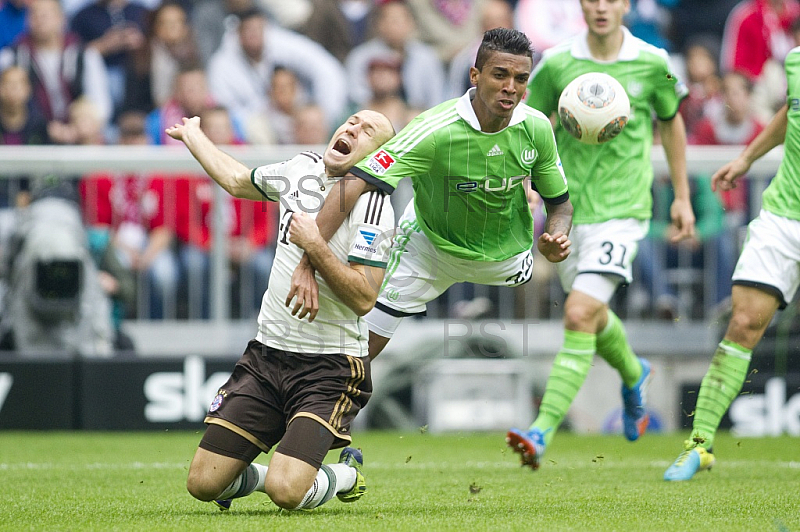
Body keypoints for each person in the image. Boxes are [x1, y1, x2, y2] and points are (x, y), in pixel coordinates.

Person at [289, 28, 573, 366]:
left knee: (548, 294)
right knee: (354, 359)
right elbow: (354, 181)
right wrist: (308, 260)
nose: (511, 87)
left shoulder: (537, 128)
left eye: (520, 78)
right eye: (500, 74)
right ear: (475, 75)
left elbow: (562, 205)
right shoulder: (434, 130)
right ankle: (324, 403)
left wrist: (557, 237)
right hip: (428, 250)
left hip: (506, 258)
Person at [166, 108, 397, 510]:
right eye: (352, 121)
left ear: (378, 155)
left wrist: (314, 247)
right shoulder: (300, 168)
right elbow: (238, 181)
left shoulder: (374, 207)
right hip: (267, 355)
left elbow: (363, 297)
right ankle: (259, 474)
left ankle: (345, 474)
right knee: (203, 484)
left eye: (368, 130)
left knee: (287, 492)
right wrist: (194, 137)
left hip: (329, 367)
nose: (352, 128)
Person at [506, 0, 696, 470]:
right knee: (591, 315)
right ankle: (635, 372)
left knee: (577, 313)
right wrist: (528, 181)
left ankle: (542, 430)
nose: (601, 7)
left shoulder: (654, 62)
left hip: (624, 210)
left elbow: (671, 123)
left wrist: (682, 197)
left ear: (625, 4)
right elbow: (531, 123)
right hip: (567, 208)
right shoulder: (559, 62)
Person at [663, 47, 800, 481]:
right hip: (784, 216)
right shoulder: (795, 62)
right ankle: (699, 444)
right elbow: (790, 111)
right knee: (742, 323)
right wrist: (746, 158)